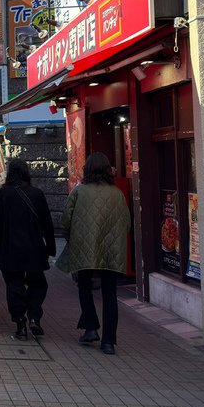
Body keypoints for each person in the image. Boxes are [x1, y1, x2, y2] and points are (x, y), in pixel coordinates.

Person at [57, 152, 131, 355]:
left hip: (83, 247)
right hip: (111, 250)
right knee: (110, 294)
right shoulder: (117, 194)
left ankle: (90, 328)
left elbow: (66, 220)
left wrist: (71, 238)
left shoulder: (79, 192)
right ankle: (108, 341)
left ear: (87, 169)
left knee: (84, 286)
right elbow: (127, 222)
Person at [0, 158, 55, 340]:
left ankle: (20, 324)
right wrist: (51, 247)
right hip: (34, 249)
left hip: (10, 250)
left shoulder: (4, 195)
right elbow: (47, 224)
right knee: (38, 283)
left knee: (14, 286)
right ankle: (34, 316)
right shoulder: (37, 194)